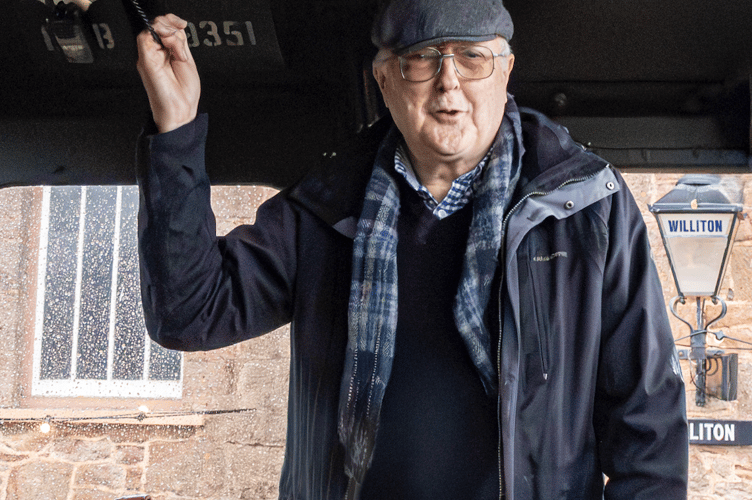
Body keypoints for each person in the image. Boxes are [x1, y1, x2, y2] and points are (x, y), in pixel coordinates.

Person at [135, 0, 689, 498]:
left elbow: (648, 424)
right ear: (384, 79)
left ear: (506, 71)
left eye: (472, 58)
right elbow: (188, 311)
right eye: (422, 59)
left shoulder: (588, 205)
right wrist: (176, 126)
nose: (449, 84)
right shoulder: (326, 207)